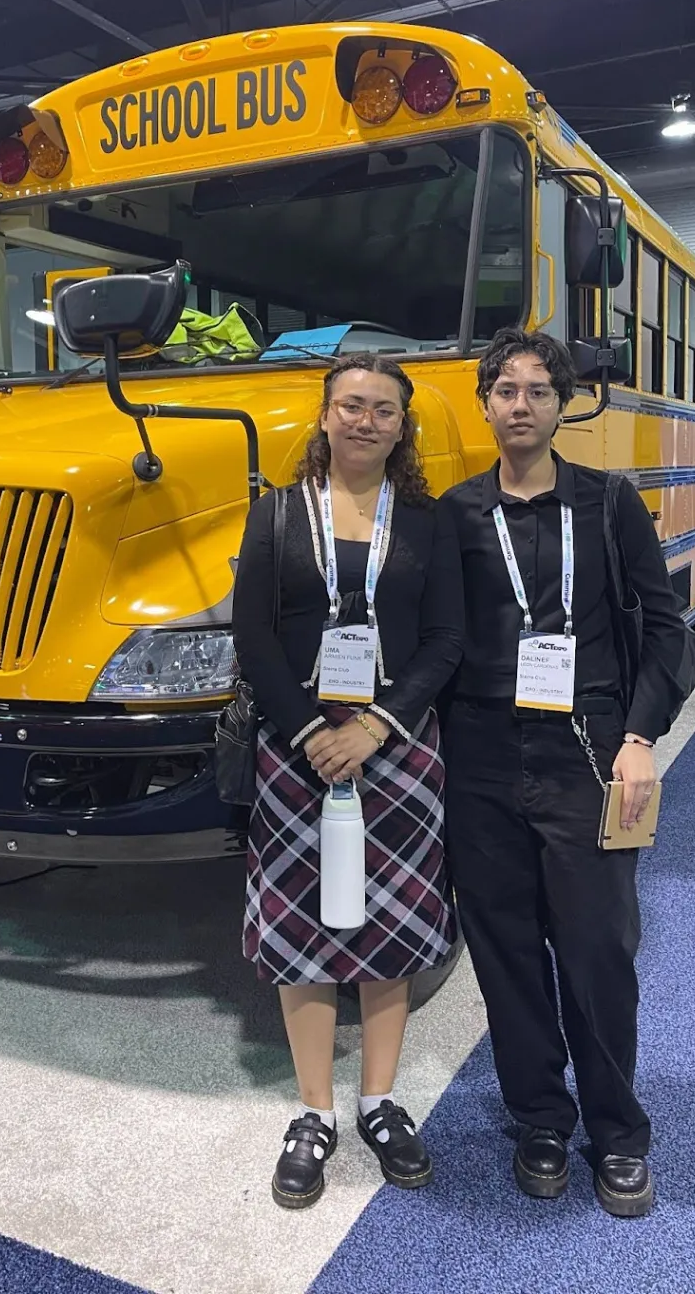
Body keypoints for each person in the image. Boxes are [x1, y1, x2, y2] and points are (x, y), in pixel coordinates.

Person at [442, 327, 694, 1218]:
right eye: (505, 389)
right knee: (505, 951)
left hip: (586, 747)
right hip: (476, 754)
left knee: (596, 948)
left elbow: (669, 632)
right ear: (485, 404)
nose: (520, 404)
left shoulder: (608, 504)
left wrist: (639, 736)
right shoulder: (456, 513)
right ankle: (540, 1116)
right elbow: (432, 640)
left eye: (538, 390)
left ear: (562, 405)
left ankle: (618, 1131)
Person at [233, 353, 464, 1209]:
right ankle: (313, 1114)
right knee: (305, 934)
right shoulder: (274, 515)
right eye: (350, 406)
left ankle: (380, 1101)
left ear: (403, 428)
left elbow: (447, 640)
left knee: (388, 929)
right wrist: (308, 731)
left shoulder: (430, 524)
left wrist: (373, 727)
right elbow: (253, 635)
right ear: (324, 417)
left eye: (383, 411)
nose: (365, 421)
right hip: (297, 753)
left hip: (398, 749)